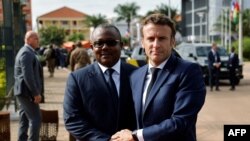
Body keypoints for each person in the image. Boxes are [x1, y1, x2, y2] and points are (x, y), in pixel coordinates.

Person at [111, 13, 206, 141]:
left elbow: (181, 121)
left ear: (172, 41)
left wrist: (136, 135)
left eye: (162, 38)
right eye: (150, 39)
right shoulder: (135, 76)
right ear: (143, 42)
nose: (156, 45)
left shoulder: (189, 72)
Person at [63, 24, 137, 140]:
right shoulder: (77, 78)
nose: (105, 47)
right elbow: (72, 120)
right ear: (92, 47)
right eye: (99, 43)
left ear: (121, 46)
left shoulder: (137, 75)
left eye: (111, 42)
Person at [14, 31, 43, 141]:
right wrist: (35, 93)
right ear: (29, 39)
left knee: (24, 119)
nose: (38, 41)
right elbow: (28, 76)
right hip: (27, 93)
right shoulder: (26, 53)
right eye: (36, 39)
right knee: (36, 118)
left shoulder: (27, 52)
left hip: (23, 92)